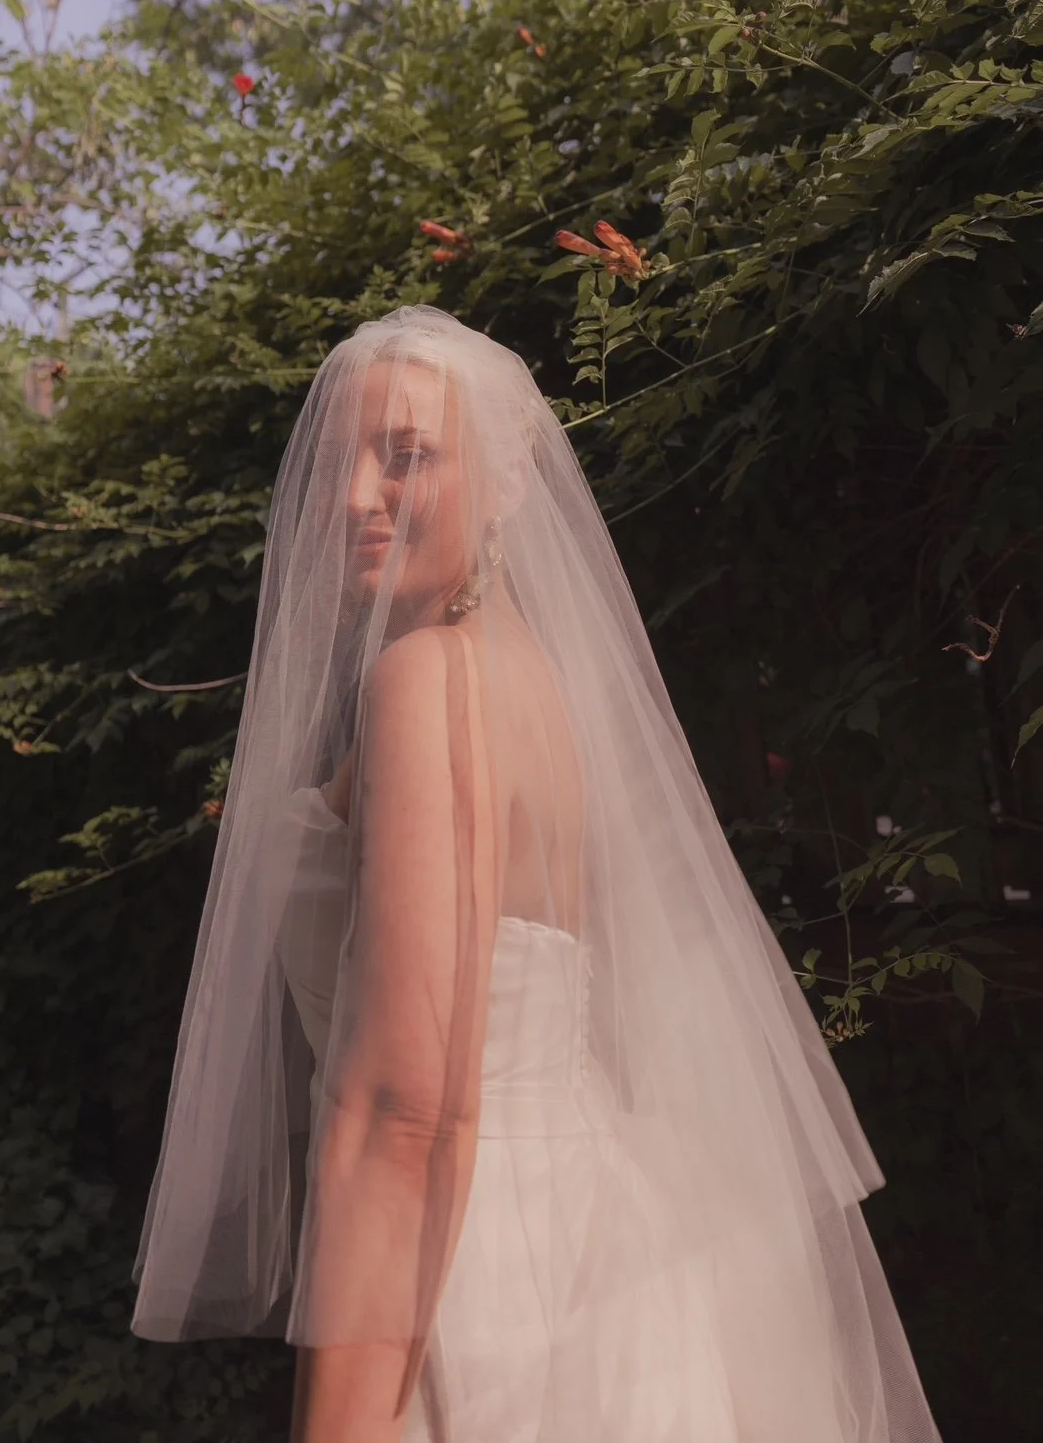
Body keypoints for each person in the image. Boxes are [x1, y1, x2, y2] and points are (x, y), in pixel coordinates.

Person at [130, 306, 942, 1443]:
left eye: (405, 456)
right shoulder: (544, 686)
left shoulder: (425, 685)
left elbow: (403, 1106)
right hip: (600, 1247)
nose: (356, 499)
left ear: (508, 481)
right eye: (337, 466)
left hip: (475, 1280)